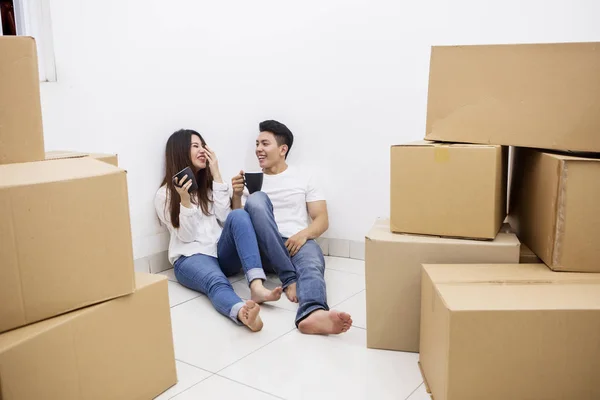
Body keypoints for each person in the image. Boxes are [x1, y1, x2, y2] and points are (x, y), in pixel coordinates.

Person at [155, 129, 291, 332]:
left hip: (221, 252)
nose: (202, 150)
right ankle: (242, 312)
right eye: (195, 146)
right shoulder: (164, 195)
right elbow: (187, 236)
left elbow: (226, 218)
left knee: (239, 215)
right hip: (191, 257)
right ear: (180, 152)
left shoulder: (210, 186)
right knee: (216, 282)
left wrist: (216, 173)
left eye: (203, 145)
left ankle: (256, 286)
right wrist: (184, 200)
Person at [231, 120, 353, 335]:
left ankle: (313, 313)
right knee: (257, 200)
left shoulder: (304, 177)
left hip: (295, 242)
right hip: (262, 249)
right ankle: (289, 278)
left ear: (282, 149)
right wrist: (238, 195)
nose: (258, 149)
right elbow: (237, 221)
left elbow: (321, 219)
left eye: (265, 144)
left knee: (312, 262)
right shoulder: (250, 180)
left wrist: (303, 235)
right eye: (257, 144)